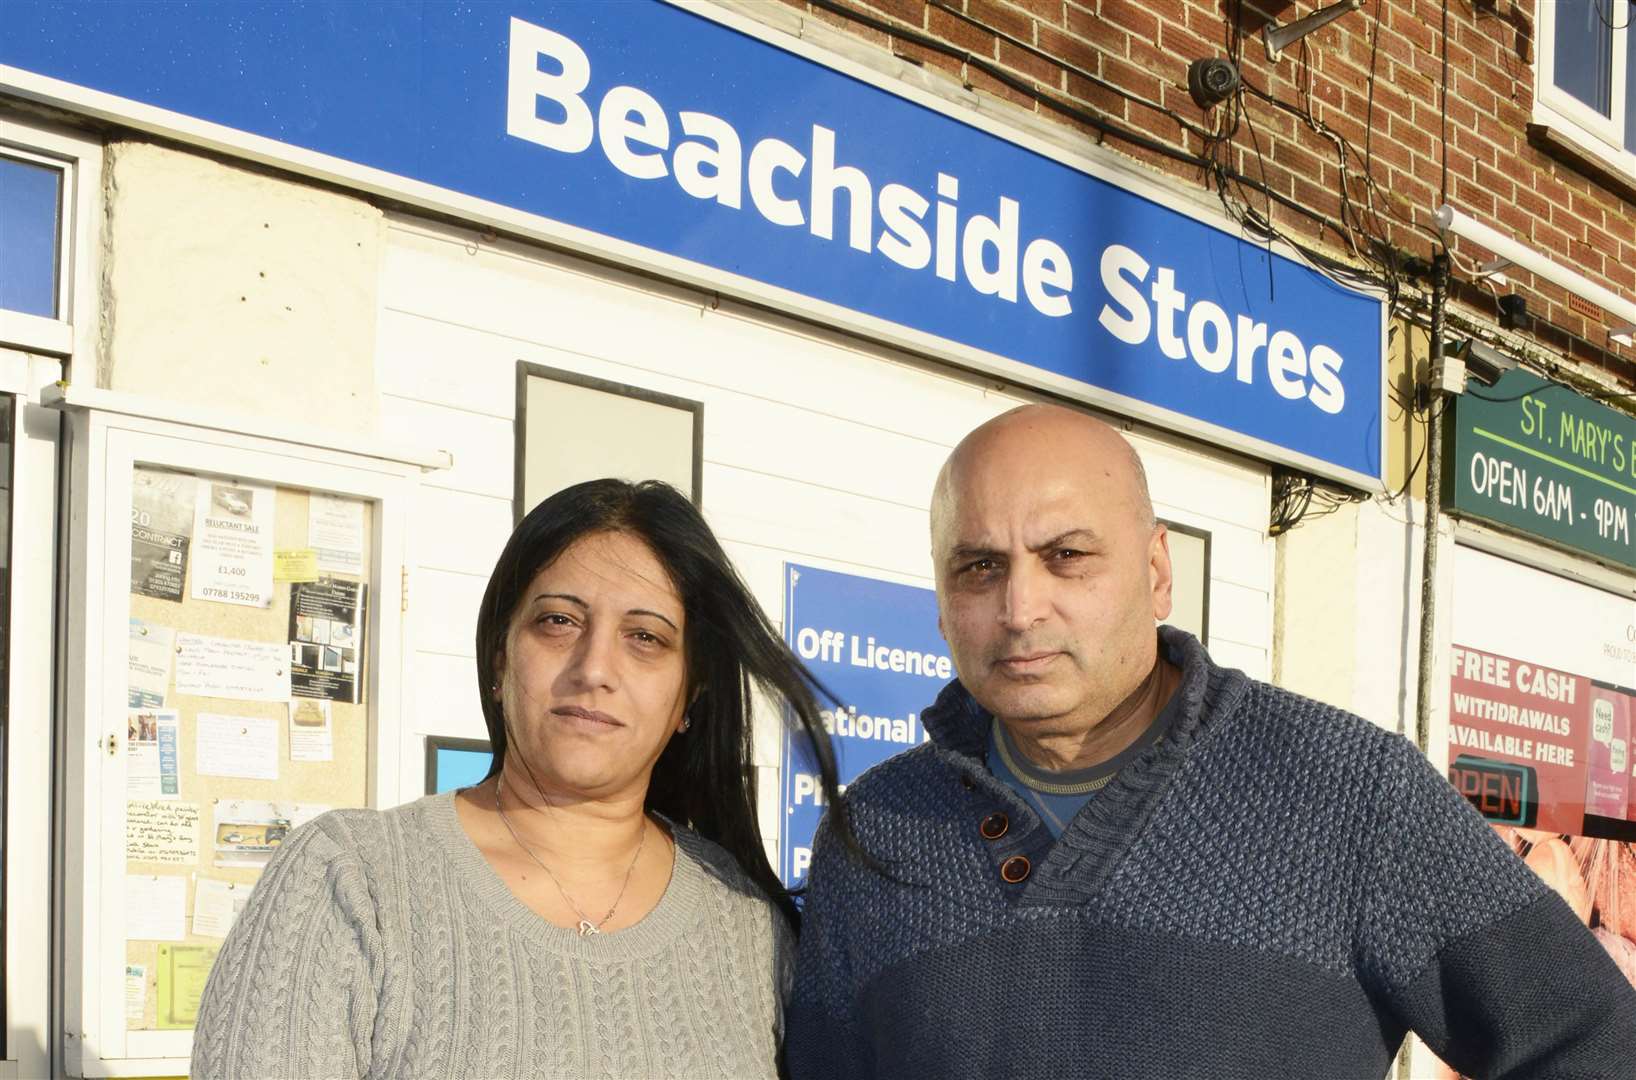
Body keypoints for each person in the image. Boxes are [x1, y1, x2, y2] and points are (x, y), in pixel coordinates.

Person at [787, 404, 1636, 1079]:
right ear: (940, 603)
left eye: (1068, 555)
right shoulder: (872, 835)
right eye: (979, 567)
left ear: (1158, 571)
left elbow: (1592, 1044)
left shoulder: (1350, 792)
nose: (1020, 608)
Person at [193, 478, 848, 1079]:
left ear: (687, 699)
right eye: (558, 621)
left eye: (645, 637)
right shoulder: (351, 883)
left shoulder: (748, 930)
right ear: (501, 660)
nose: (595, 667)